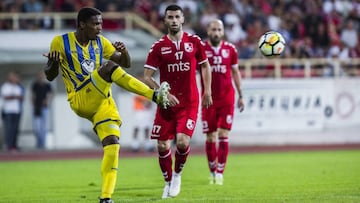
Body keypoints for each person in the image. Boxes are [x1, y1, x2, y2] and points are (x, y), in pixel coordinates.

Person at [43, 7, 170, 203]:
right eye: (95, 24)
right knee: (109, 68)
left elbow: (124, 64)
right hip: (80, 98)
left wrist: (124, 51)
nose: (100, 28)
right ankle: (154, 96)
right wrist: (51, 64)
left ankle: (105, 197)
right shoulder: (61, 42)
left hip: (103, 103)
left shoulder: (101, 42)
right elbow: (50, 76)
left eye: (101, 23)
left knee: (112, 145)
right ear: (82, 24)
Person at [143, 4, 213, 199]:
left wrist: (207, 91)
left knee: (182, 142)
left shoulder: (194, 42)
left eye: (177, 17)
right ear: (165, 21)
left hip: (189, 101)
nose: (173, 20)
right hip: (166, 104)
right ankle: (167, 182)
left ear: (182, 19)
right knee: (162, 146)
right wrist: (161, 92)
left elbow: (205, 66)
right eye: (170, 17)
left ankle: (177, 175)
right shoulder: (158, 47)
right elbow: (146, 77)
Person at [201, 19, 245, 185]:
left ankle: (220, 172)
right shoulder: (202, 49)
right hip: (208, 99)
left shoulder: (230, 49)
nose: (216, 33)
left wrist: (241, 95)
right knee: (210, 136)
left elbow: (235, 72)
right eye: (213, 29)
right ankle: (212, 170)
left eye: (219, 29)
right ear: (208, 31)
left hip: (227, 98)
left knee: (223, 134)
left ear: (223, 31)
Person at [1, 71, 25, 152]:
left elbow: (21, 97)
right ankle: (9, 145)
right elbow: (6, 97)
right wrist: (15, 96)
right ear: (9, 77)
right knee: (9, 129)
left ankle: (14, 145)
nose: (14, 78)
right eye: (12, 76)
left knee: (15, 129)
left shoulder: (18, 87)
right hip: (8, 111)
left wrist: (14, 96)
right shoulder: (5, 86)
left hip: (17, 110)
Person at [31, 71, 53, 150]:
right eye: (39, 75)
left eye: (42, 76)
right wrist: (33, 104)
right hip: (37, 107)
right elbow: (32, 95)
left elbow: (50, 94)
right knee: (37, 127)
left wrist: (47, 101)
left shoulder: (47, 85)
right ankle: (38, 143)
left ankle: (42, 144)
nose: (40, 77)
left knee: (43, 127)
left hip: (44, 108)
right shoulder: (35, 85)